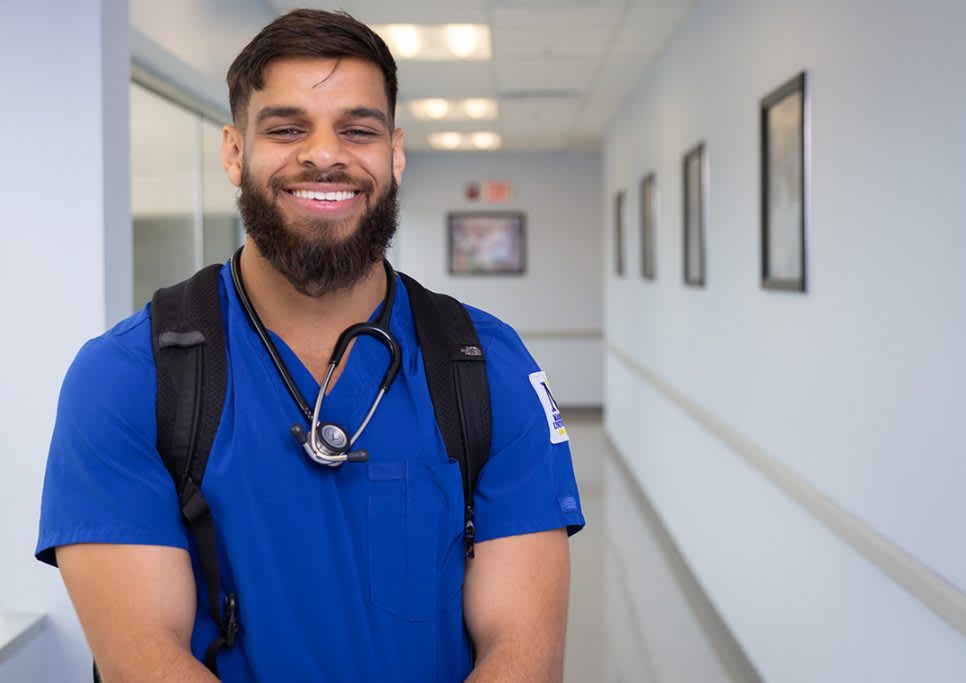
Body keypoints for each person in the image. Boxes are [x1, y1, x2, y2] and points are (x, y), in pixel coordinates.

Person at [36, 9, 584, 682]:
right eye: (288, 127)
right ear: (234, 152)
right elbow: (146, 661)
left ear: (395, 152)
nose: (324, 154)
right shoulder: (128, 378)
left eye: (357, 129)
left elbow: (522, 654)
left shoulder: (487, 367)